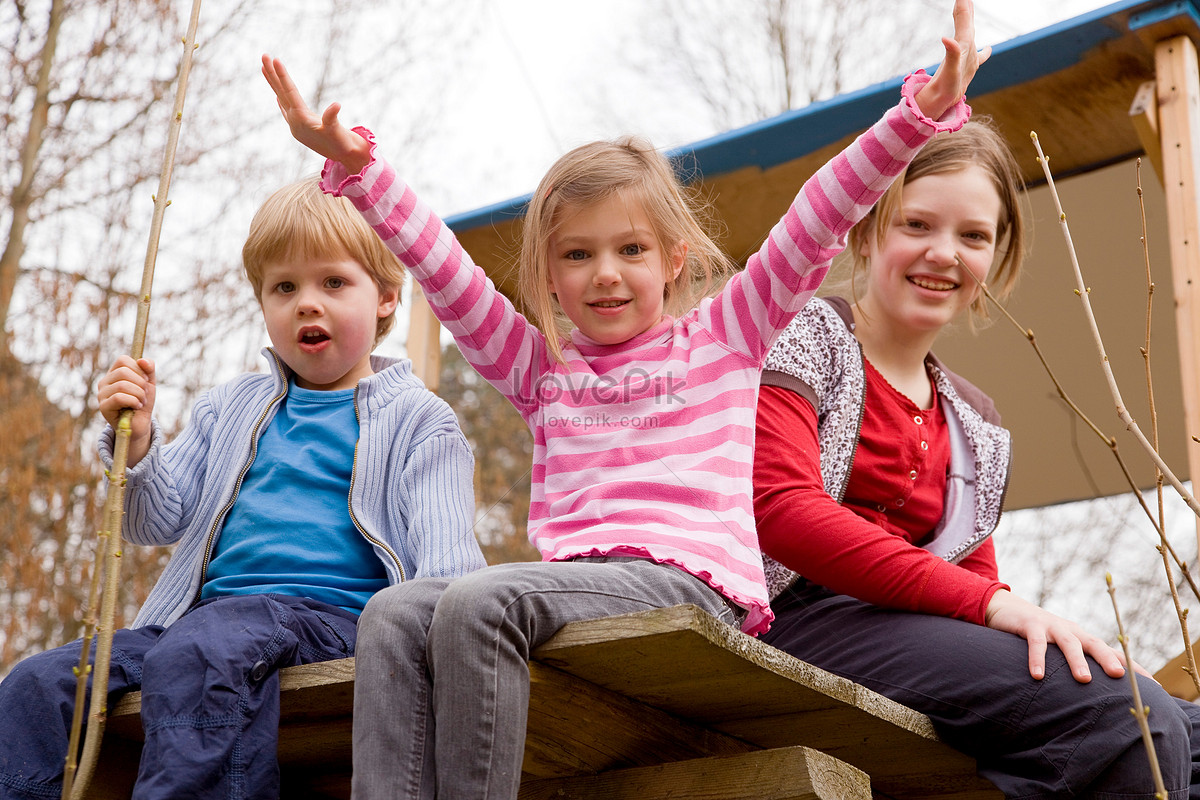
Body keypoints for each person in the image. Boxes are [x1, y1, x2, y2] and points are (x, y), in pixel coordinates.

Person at [262, 2, 985, 797]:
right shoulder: (544, 369)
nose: (606, 272)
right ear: (550, 273)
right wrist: (362, 175)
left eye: (629, 249)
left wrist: (915, 120)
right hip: (578, 582)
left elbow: (819, 214)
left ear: (673, 260)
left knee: (477, 604)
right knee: (394, 614)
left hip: (689, 581)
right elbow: (446, 273)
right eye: (578, 254)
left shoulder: (726, 334)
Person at [752, 116, 1200, 798]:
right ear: (865, 231)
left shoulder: (976, 421)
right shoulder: (801, 333)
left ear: (997, 257)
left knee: (1179, 729)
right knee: (1131, 718)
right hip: (797, 619)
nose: (945, 253)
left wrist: (1000, 608)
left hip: (915, 638)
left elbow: (970, 575)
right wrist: (995, 606)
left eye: (973, 236)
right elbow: (782, 512)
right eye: (917, 225)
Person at [0, 178, 484, 800]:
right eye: (285, 287)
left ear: (387, 297)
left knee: (209, 648)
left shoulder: (419, 421)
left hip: (332, 625)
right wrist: (140, 445)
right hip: (196, 626)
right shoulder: (230, 407)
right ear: (263, 303)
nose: (307, 303)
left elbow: (449, 569)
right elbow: (154, 520)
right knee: (41, 682)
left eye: (333, 283)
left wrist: (436, 657)